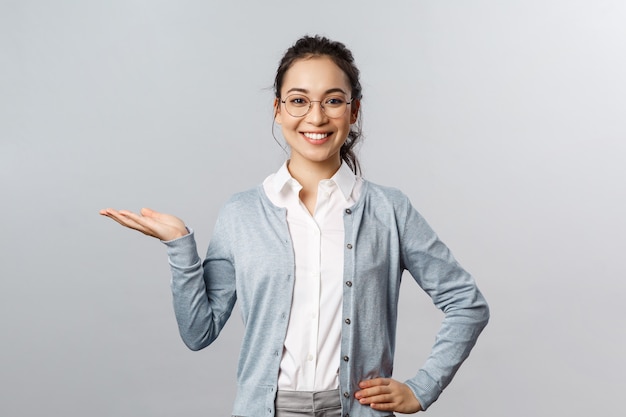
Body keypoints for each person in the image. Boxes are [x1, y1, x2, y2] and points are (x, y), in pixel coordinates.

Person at [100, 35, 489, 417]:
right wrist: (180, 245)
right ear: (278, 109)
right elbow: (198, 332)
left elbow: (467, 304)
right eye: (299, 100)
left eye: (333, 101)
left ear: (353, 111)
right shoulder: (242, 214)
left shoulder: (389, 210)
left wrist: (422, 389)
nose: (316, 117)